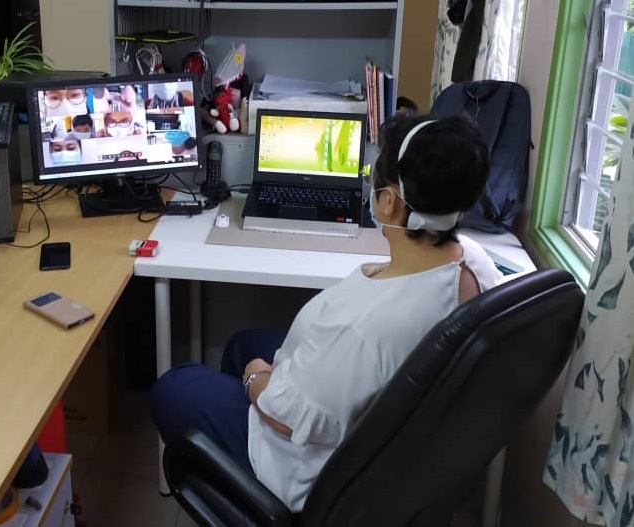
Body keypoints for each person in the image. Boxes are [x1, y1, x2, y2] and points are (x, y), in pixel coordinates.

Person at [150, 114, 503, 512]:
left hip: (311, 469)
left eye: (374, 174)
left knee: (175, 386)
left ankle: (248, 477)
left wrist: (255, 377)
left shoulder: (363, 327)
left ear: (388, 202)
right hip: (394, 437)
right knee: (241, 343)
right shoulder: (474, 262)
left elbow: (285, 417)